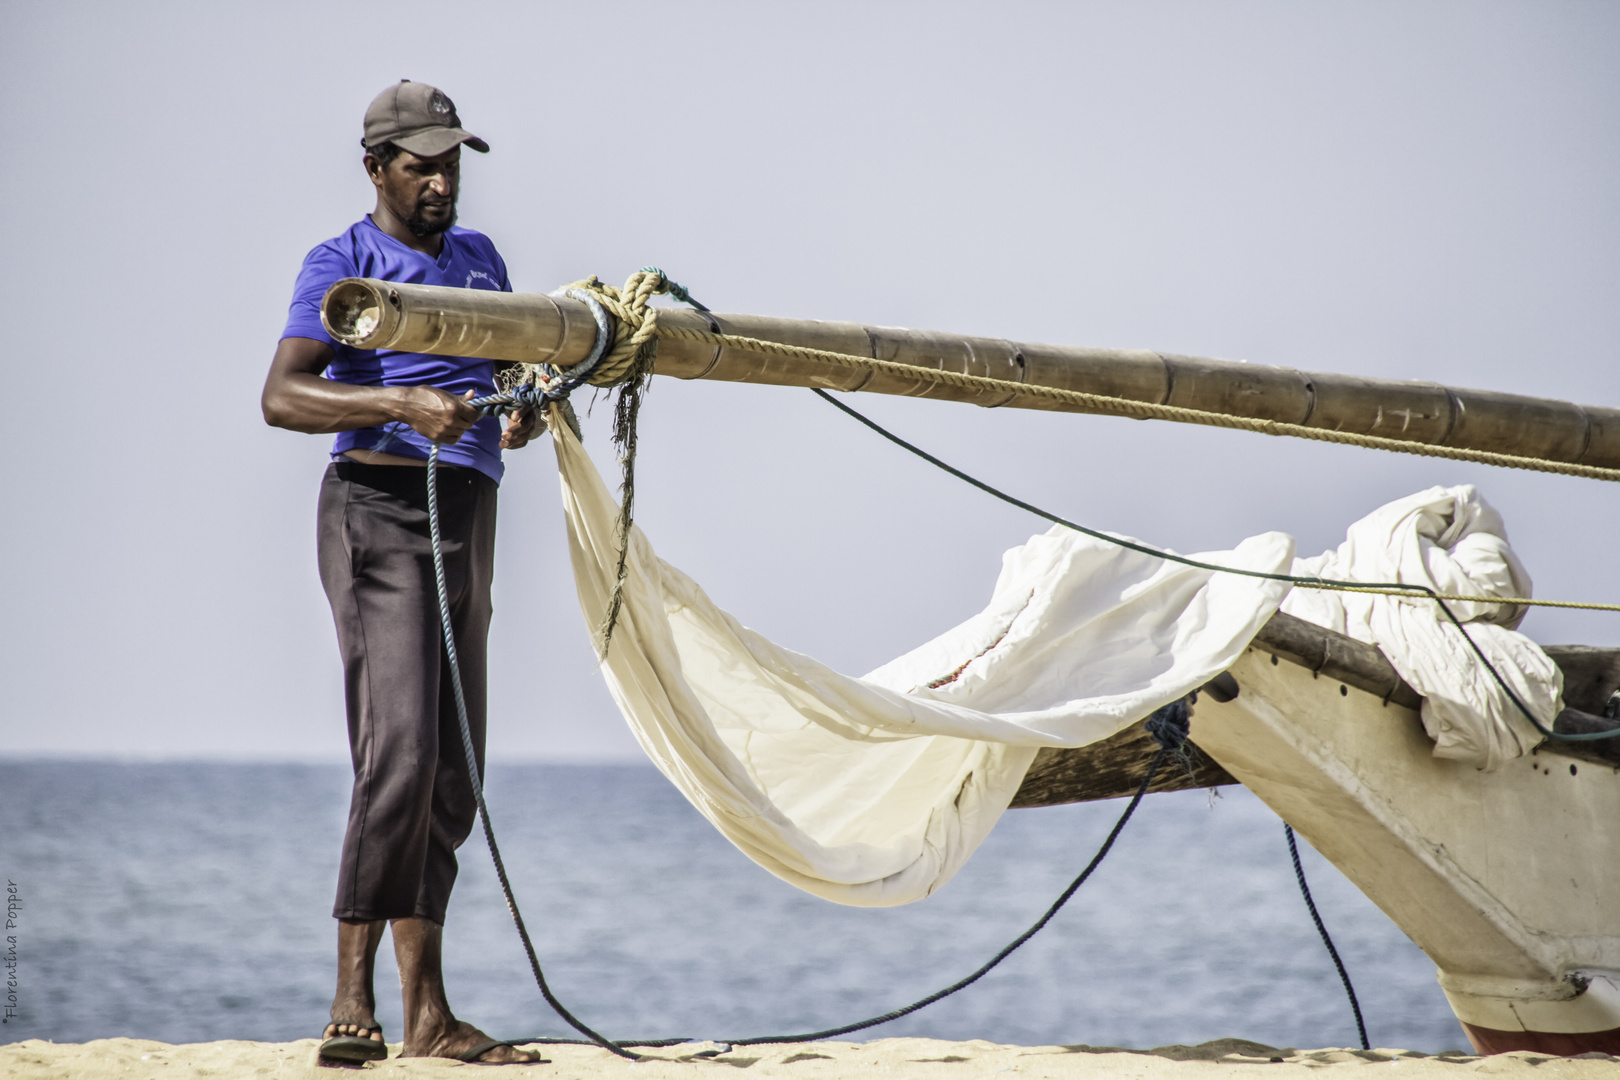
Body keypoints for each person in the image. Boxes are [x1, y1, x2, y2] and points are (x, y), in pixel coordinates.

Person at [261, 80, 545, 1066]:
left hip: (468, 514)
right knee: (402, 753)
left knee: (453, 772)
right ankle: (352, 1006)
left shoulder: (480, 262)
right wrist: (397, 409)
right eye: (418, 164)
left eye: (450, 163)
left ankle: (429, 1017)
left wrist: (523, 410)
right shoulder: (341, 265)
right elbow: (284, 395)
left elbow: (508, 376)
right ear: (376, 167)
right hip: (377, 515)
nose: (438, 182)